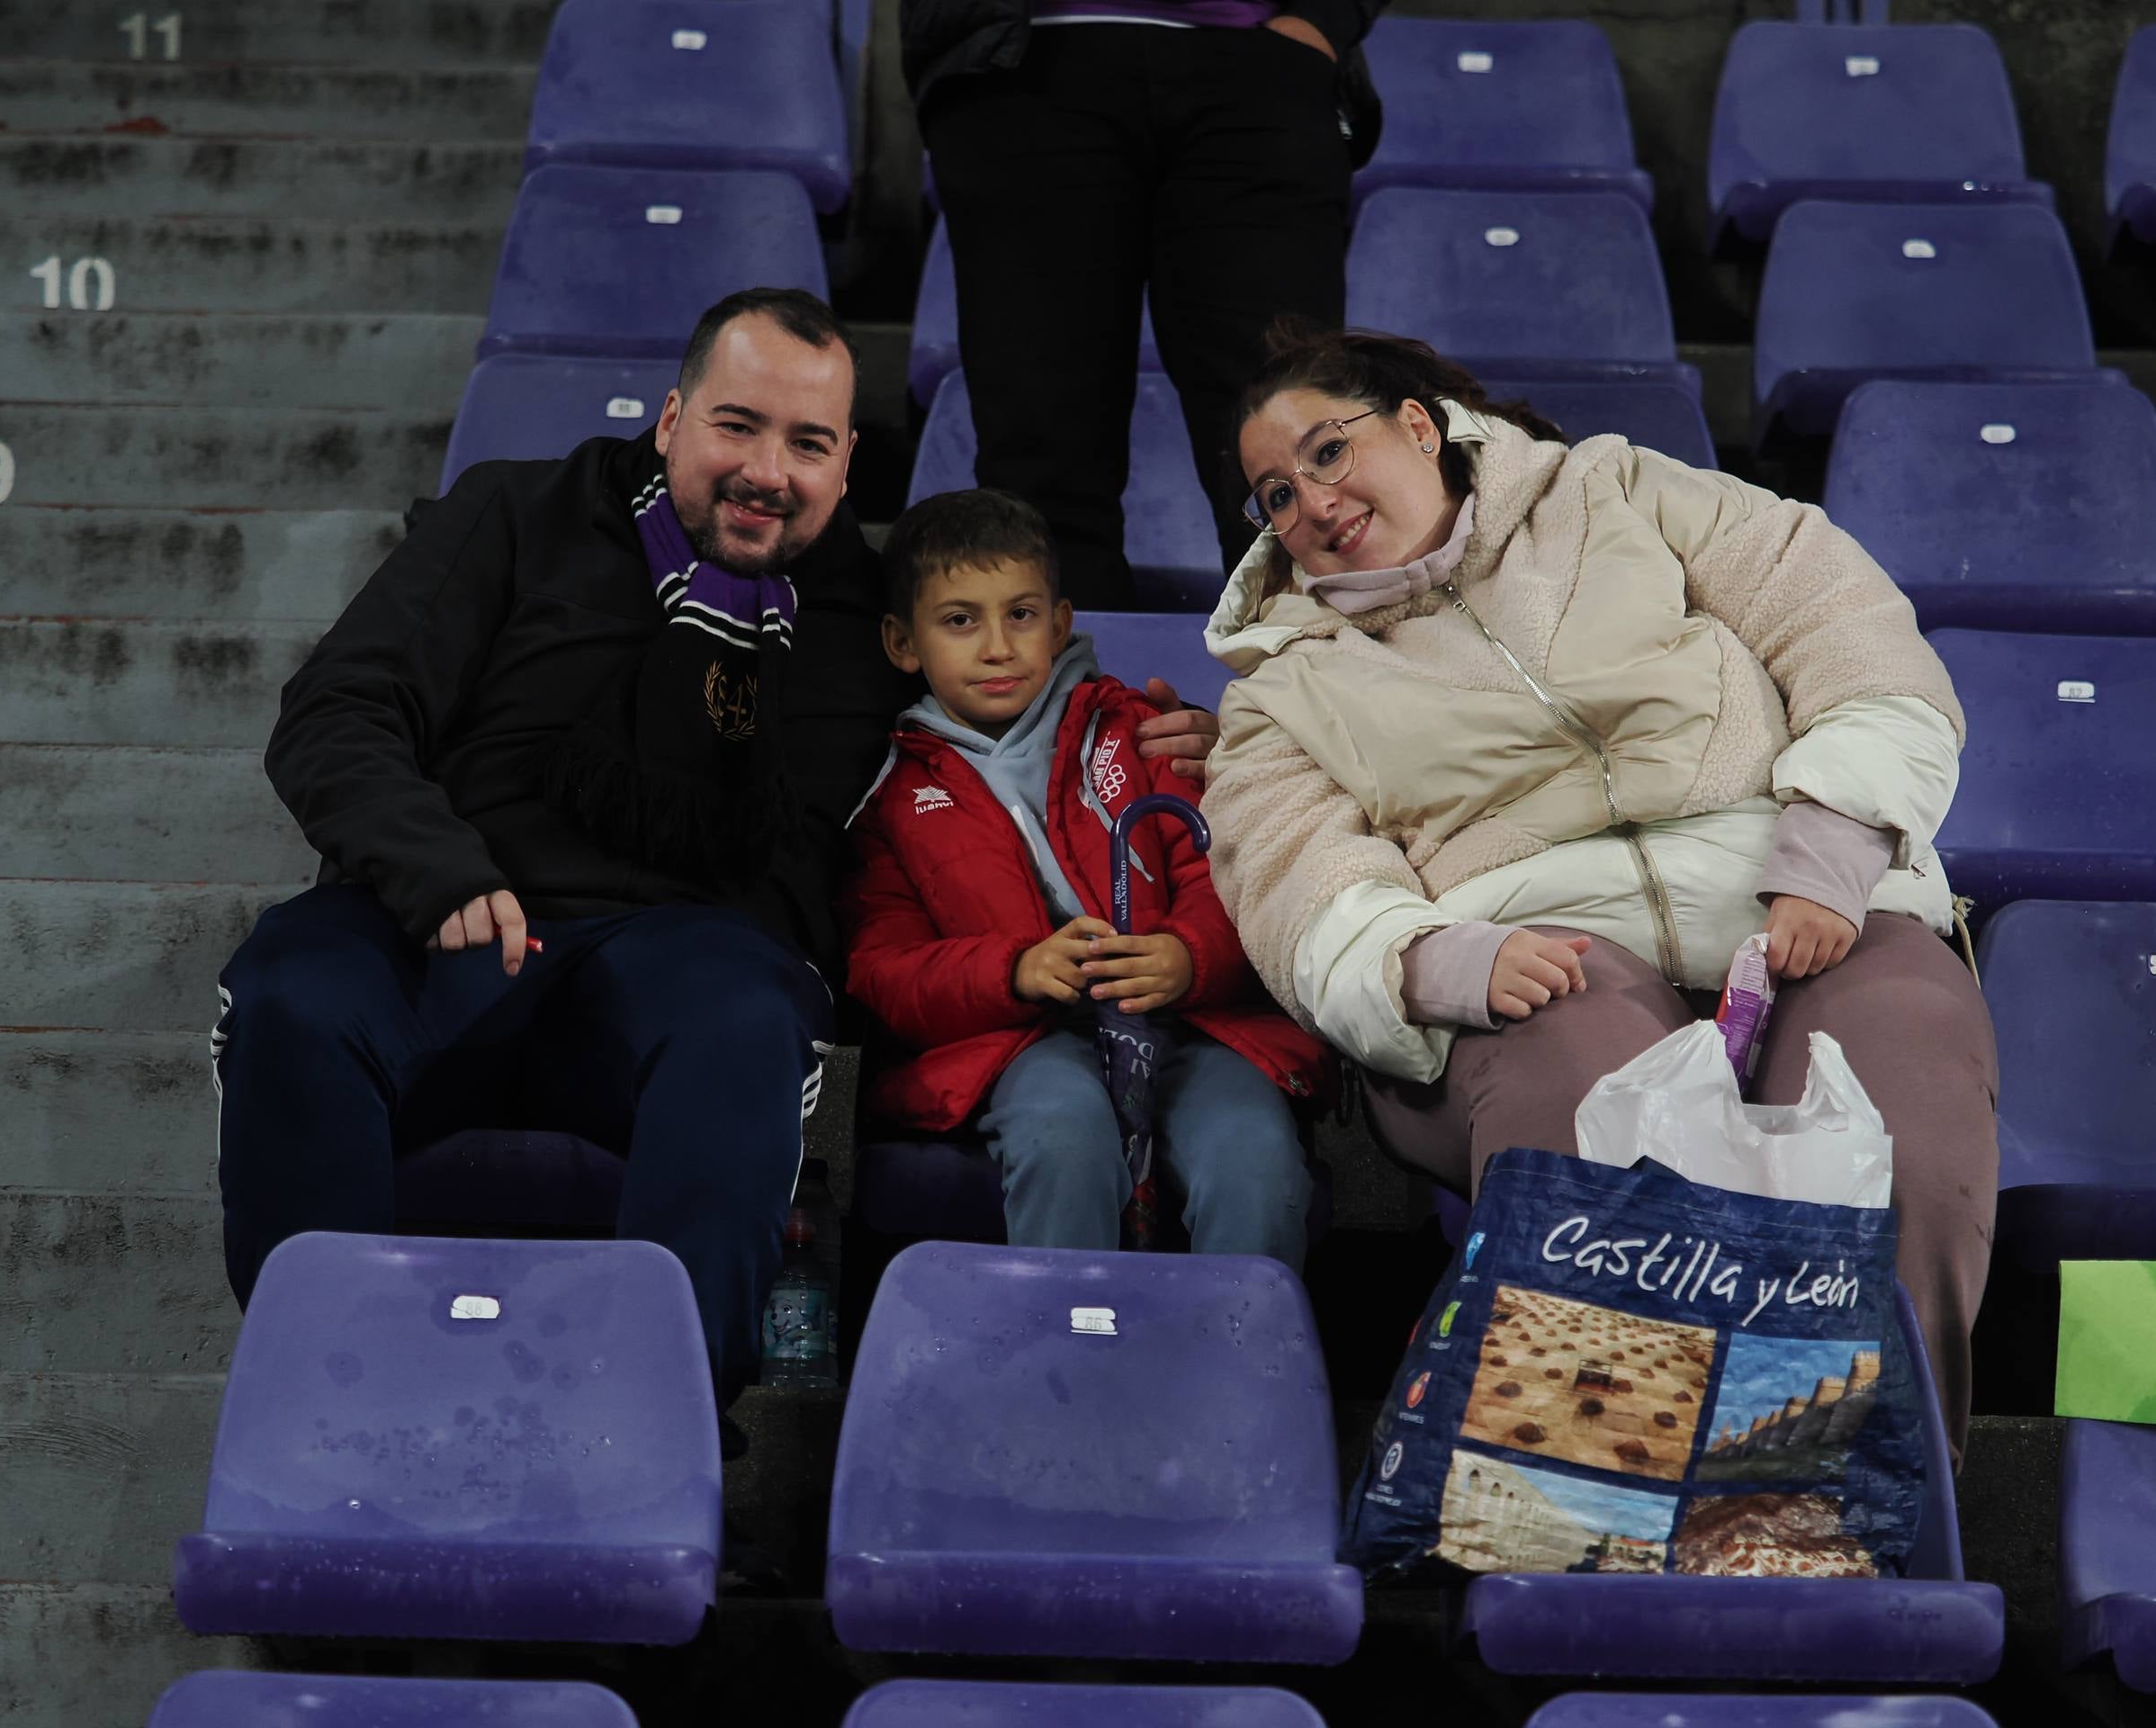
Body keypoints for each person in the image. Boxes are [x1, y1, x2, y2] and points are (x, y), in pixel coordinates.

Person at [211, 289, 1221, 1408]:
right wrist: (436, 867)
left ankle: (661, 1422)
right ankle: (320, 1398)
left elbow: (1015, 715)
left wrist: (1180, 735)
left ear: (844, 472)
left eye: (809, 444)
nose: (767, 471)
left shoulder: (860, 614)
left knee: (743, 1022)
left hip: (681, 959)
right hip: (446, 922)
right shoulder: (514, 515)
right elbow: (338, 708)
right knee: (293, 988)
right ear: (672, 418)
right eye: (738, 426)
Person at [1199, 324, 1999, 1461]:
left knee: (1902, 1115)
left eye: (1327, 453)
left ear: (1418, 424)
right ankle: (1602, 1530)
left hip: (1797, 893)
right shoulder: (1279, 685)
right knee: (1591, 1107)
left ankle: (1867, 1503)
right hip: (1529, 950)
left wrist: (1830, 845)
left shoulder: (1619, 488)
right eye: (1274, 495)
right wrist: (1442, 961)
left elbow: (1846, 625)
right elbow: (1296, 888)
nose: (1310, 502)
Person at [842, 490, 1327, 1266]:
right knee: (1062, 1137)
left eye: (1022, 615)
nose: (997, 647)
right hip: (1021, 1041)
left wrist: (1188, 956)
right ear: (903, 642)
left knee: (1252, 1155)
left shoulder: (1144, 733)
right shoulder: (892, 797)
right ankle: (1070, 1368)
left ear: (1061, 623)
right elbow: (884, 971)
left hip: (1189, 1025)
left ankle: (1233, 1375)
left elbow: (1237, 884)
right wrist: (1014, 970)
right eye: (960, 620)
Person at [903, 0, 1385, 606]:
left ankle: (1305, 692)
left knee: (1295, 445)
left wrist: (1322, 20)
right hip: (1020, 62)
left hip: (1261, 64)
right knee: (1040, 466)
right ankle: (1061, 701)